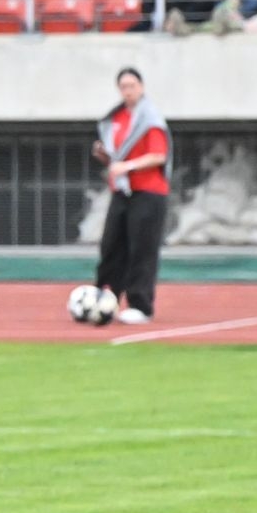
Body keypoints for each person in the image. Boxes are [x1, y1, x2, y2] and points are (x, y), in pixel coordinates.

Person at [91, 67, 170, 324]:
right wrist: (106, 156)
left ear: (142, 87)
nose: (128, 91)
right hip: (122, 190)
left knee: (142, 249)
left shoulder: (150, 119)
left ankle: (140, 304)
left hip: (148, 191)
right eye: (123, 86)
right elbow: (117, 156)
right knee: (111, 245)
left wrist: (127, 166)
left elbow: (158, 155)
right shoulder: (116, 118)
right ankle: (105, 297)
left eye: (132, 85)